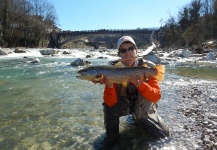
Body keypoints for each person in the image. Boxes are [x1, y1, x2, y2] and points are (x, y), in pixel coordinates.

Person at [93, 36, 170, 149]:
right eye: (123, 50)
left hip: (143, 109)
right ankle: (112, 139)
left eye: (130, 48)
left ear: (136, 50)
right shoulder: (112, 70)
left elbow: (156, 97)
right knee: (110, 141)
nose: (128, 53)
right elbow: (110, 103)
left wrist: (141, 85)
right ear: (119, 54)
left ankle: (138, 118)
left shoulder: (148, 68)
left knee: (165, 136)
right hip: (123, 106)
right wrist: (109, 85)